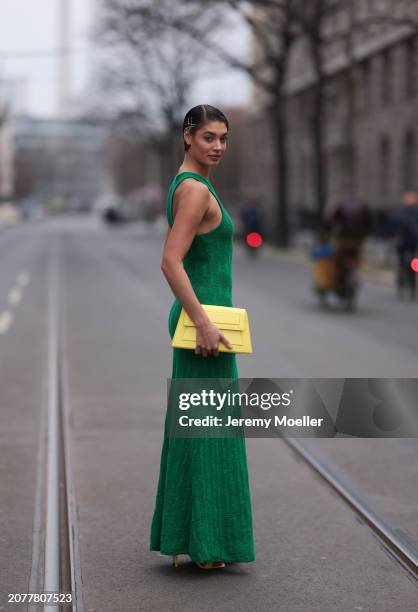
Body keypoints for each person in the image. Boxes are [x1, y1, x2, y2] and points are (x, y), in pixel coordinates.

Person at [149, 105, 255, 570]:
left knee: (199, 429)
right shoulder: (193, 190)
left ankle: (190, 537)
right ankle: (209, 545)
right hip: (204, 326)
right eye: (209, 137)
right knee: (212, 432)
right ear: (188, 136)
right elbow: (171, 261)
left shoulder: (189, 184)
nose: (218, 146)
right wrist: (205, 324)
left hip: (204, 321)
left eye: (224, 139)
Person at [327, 198, 372, 294]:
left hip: (343, 239)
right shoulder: (362, 207)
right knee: (357, 260)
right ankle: (355, 276)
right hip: (358, 240)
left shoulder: (341, 206)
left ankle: (337, 281)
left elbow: (333, 221)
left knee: (337, 261)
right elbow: (369, 223)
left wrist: (330, 233)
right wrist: (364, 235)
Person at [389, 191, 418, 299]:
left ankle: (408, 286)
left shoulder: (401, 212)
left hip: (407, 242)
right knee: (407, 263)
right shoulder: (403, 212)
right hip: (407, 242)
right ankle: (405, 286)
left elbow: (393, 224)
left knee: (409, 264)